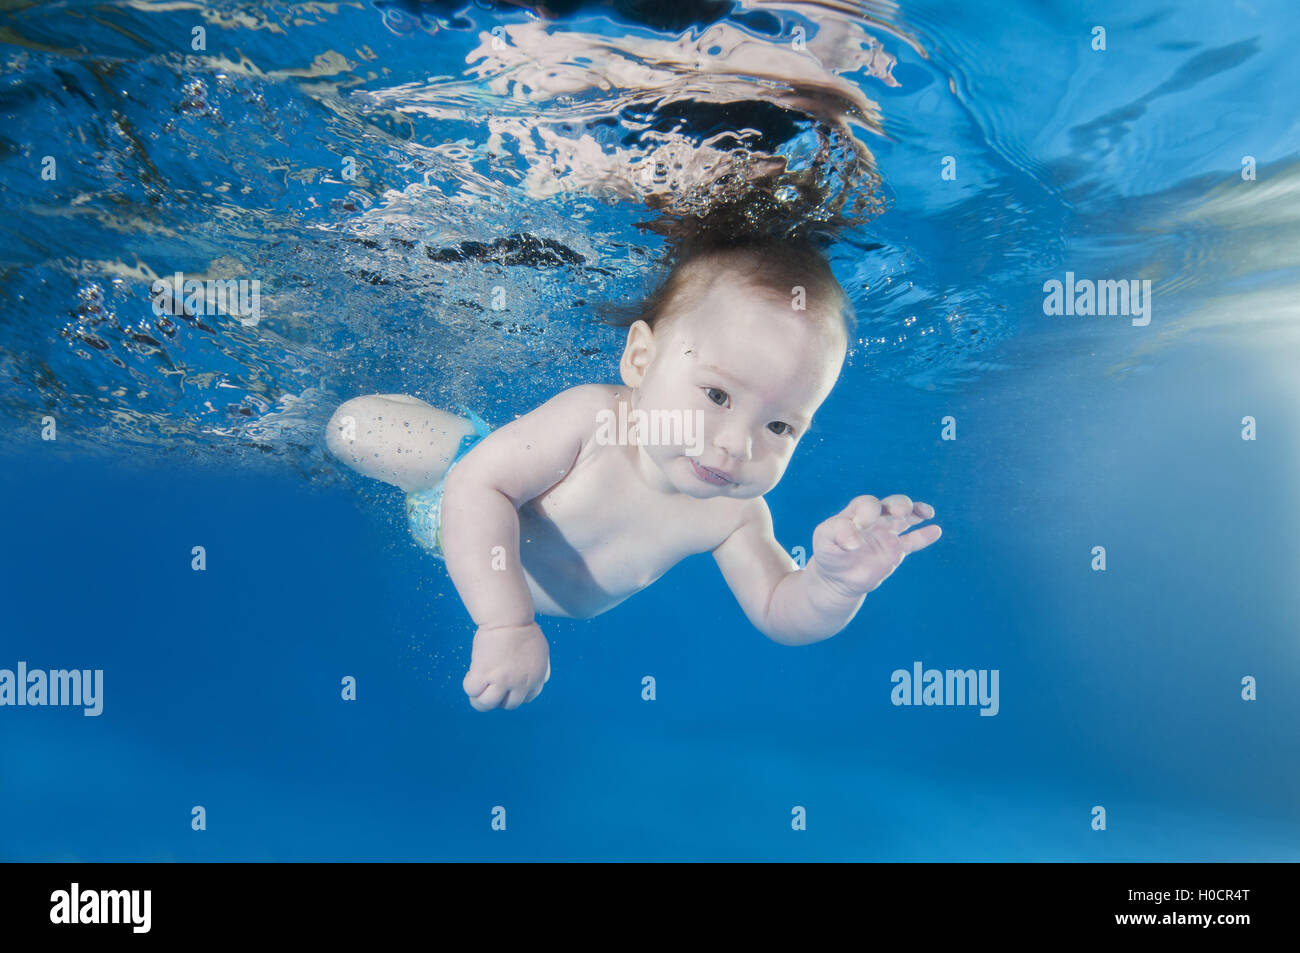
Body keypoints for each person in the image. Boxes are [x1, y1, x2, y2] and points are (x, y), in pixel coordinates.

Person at [326, 235, 940, 711]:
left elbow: (780, 610)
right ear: (641, 359)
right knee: (353, 428)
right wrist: (505, 622)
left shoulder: (734, 514)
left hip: (488, 512)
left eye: (780, 427)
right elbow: (477, 487)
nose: (734, 447)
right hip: (458, 496)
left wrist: (836, 585)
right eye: (719, 396)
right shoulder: (596, 419)